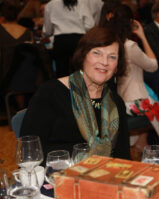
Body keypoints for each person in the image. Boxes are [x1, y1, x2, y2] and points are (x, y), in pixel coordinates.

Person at [20, 27, 131, 160]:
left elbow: (123, 156)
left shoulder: (116, 103)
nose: (104, 62)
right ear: (83, 55)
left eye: (112, 57)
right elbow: (29, 151)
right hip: (56, 175)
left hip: (104, 175)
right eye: (97, 53)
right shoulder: (50, 93)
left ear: (117, 65)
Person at [103, 4, 159, 154]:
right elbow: (153, 65)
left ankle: (140, 144)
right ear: (130, 22)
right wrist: (142, 36)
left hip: (116, 102)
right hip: (134, 102)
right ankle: (149, 147)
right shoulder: (129, 46)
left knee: (152, 99)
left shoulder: (107, 46)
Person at [42, 0, 95, 78]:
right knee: (79, 70)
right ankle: (79, 89)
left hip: (60, 41)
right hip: (78, 39)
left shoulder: (51, 4)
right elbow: (90, 25)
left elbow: (47, 30)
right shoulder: (81, 3)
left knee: (61, 72)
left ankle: (63, 89)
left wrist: (45, 35)